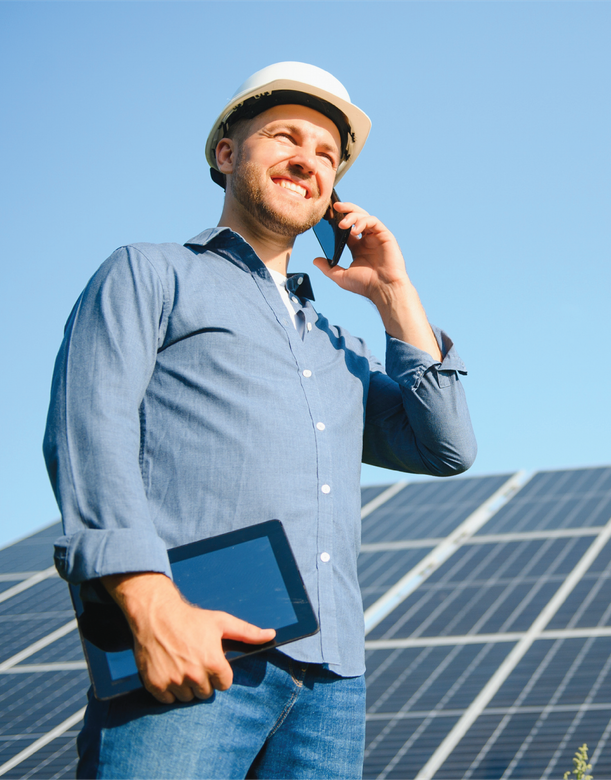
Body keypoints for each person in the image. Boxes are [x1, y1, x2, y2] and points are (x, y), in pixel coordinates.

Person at [43, 62, 476, 780]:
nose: (308, 159)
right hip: (198, 650)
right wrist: (148, 605)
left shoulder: (340, 350)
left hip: (331, 687)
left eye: (328, 156)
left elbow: (447, 446)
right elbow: (87, 432)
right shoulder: (149, 274)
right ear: (226, 152)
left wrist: (395, 295)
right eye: (284, 136)